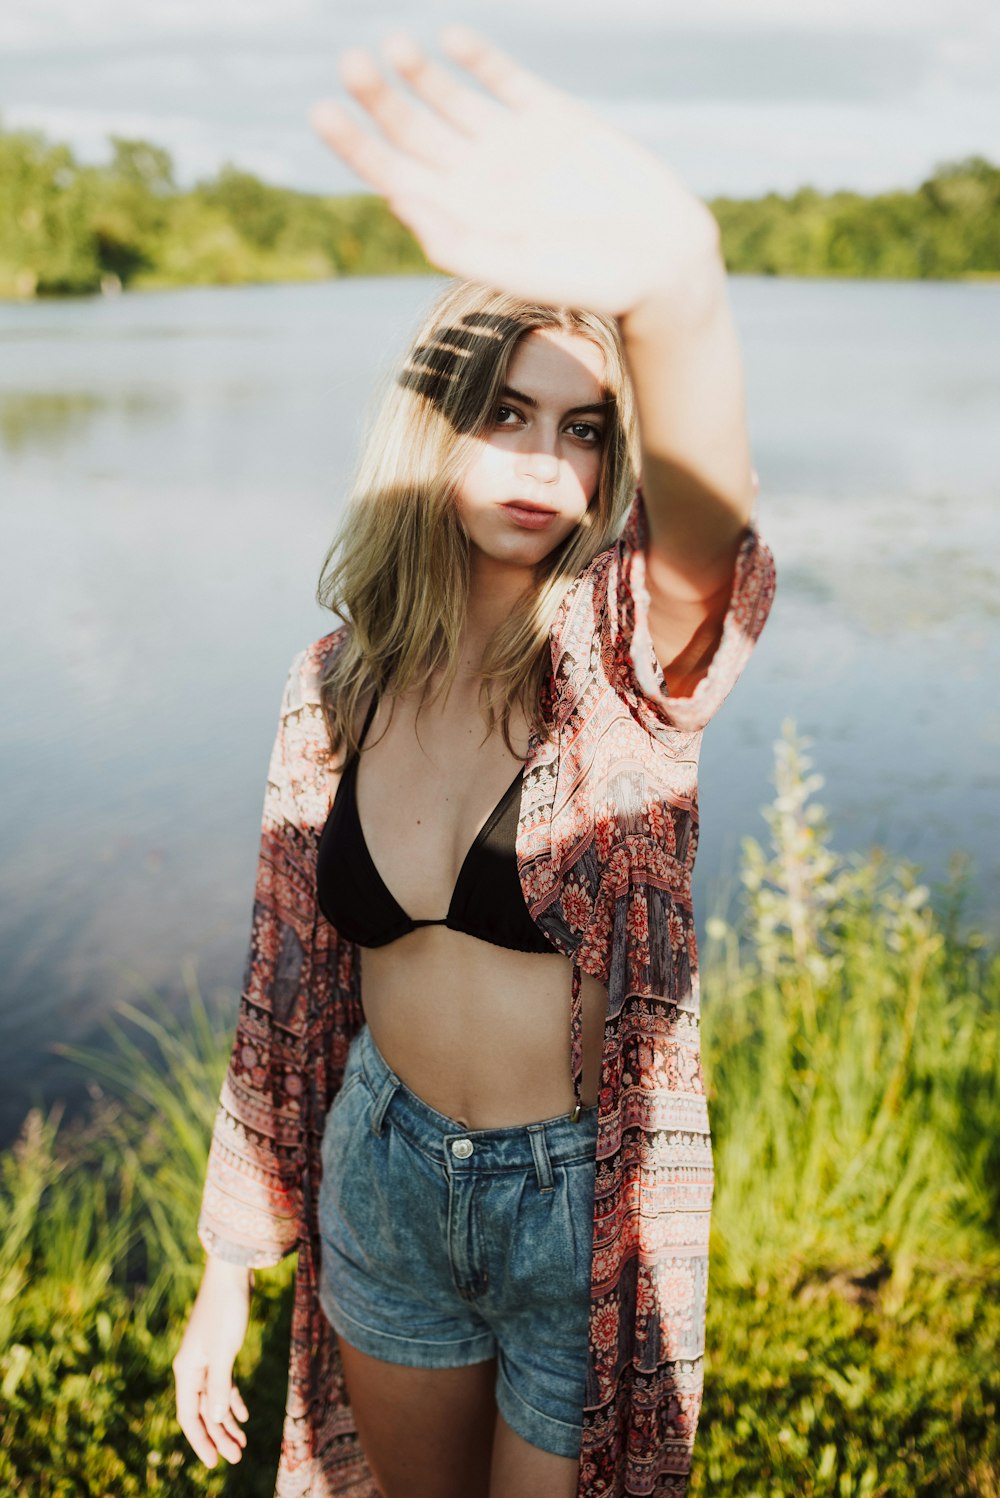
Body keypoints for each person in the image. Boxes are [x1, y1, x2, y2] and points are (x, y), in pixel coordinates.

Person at [172, 27, 775, 1498]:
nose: (545, 464)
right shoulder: (335, 684)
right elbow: (286, 988)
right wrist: (226, 1271)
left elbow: (713, 539)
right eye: (504, 411)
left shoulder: (623, 668)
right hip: (379, 1171)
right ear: (432, 419)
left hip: (572, 1207)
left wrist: (678, 280)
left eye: (584, 431)